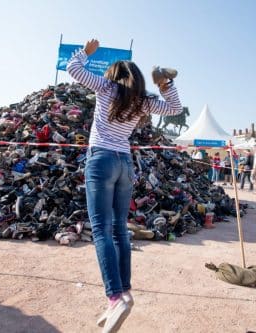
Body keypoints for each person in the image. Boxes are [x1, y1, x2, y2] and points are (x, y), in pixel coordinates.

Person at [67, 38, 182, 332]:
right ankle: (123, 294)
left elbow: (73, 67)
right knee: (119, 229)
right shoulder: (142, 100)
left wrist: (86, 52)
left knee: (102, 230)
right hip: (124, 163)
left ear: (114, 76)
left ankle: (114, 297)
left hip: (101, 160)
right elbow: (175, 107)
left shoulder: (106, 88)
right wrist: (165, 84)